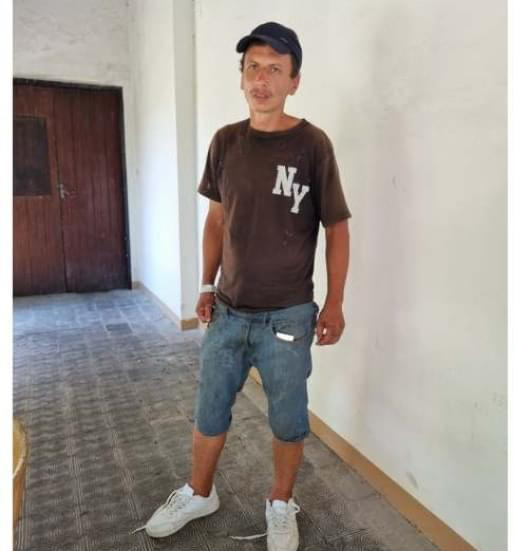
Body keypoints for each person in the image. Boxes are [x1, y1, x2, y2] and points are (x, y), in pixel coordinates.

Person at [140, 21, 351, 551]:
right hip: (228, 311)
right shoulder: (225, 142)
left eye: (275, 69)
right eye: (253, 67)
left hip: (289, 317)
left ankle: (280, 502)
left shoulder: (313, 145)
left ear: (294, 81)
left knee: (288, 418)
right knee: (209, 408)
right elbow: (216, 221)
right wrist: (205, 285)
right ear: (241, 77)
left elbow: (337, 227)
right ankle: (199, 492)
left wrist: (335, 303)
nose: (262, 79)